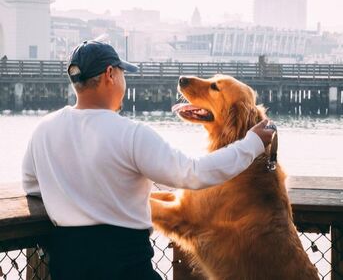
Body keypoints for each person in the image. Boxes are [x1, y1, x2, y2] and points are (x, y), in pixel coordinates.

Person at [22, 40, 275, 280]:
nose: (125, 80)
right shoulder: (131, 134)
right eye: (123, 73)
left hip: (69, 263)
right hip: (125, 261)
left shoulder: (43, 130)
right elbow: (192, 173)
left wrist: (73, 196)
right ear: (110, 74)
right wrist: (252, 144)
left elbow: (32, 186)